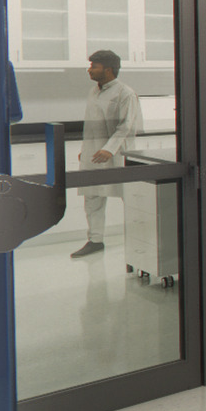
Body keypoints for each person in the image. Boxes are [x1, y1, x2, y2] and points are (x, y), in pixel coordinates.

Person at [71, 50, 141, 258]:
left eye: (94, 66)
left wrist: (109, 149)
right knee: (92, 197)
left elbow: (126, 126)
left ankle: (140, 237)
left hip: (117, 154)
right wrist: (86, 151)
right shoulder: (94, 91)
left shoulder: (125, 93)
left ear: (108, 69)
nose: (89, 69)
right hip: (94, 154)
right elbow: (91, 125)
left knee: (129, 197)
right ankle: (95, 240)